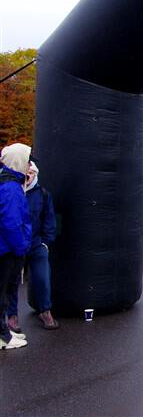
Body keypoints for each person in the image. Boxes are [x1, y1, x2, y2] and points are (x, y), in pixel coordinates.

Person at [7, 162, 58, 331]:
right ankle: (12, 315)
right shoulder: (14, 191)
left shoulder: (42, 194)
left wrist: (45, 242)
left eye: (31, 172)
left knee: (42, 278)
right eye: (26, 172)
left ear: (35, 174)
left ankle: (45, 311)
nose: (28, 175)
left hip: (36, 243)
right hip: (16, 244)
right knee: (13, 281)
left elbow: (49, 219)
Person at [0, 143, 32, 350]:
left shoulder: (12, 184)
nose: (29, 164)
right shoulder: (11, 189)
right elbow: (11, 223)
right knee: (3, 292)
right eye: (27, 160)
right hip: (7, 251)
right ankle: (2, 336)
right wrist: (21, 247)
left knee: (7, 292)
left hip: (9, 249)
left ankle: (4, 331)